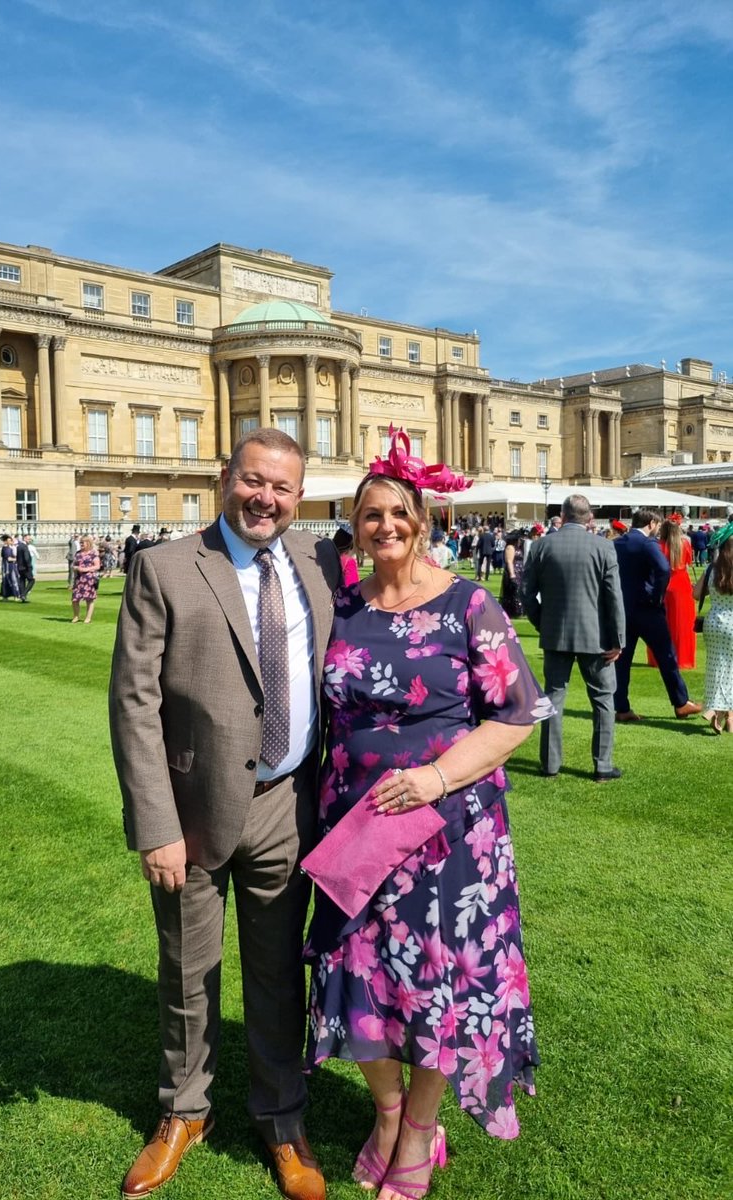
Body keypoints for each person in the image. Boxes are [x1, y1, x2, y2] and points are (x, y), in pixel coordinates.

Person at [303, 436, 550, 1200]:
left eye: (397, 514)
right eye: (370, 516)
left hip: (448, 833)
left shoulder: (467, 603)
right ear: (356, 525)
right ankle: (388, 1114)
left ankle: (417, 1136)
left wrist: (436, 777)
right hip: (354, 825)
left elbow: (518, 713)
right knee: (355, 969)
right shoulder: (343, 606)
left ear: (423, 518)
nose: (385, 527)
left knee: (439, 983)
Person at [109, 428, 340, 1200]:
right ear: (224, 478)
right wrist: (157, 826)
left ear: (297, 496)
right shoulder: (164, 567)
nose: (264, 497)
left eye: (281, 487)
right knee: (186, 970)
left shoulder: (320, 560)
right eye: (252, 480)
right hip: (193, 807)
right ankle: (185, 1112)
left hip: (287, 801)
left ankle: (282, 1120)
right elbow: (134, 705)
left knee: (277, 975)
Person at [522, 494, 626, 781]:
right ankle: (602, 765)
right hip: (597, 637)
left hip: (557, 634)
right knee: (604, 700)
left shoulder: (542, 546)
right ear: (590, 518)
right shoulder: (604, 547)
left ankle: (550, 764)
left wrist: (542, 623)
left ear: (563, 516)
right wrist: (618, 638)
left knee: (553, 698)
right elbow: (614, 597)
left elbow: (526, 594)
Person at [613, 509, 701, 722]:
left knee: (622, 661)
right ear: (651, 523)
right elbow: (663, 569)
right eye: (658, 526)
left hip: (623, 609)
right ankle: (681, 702)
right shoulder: (647, 543)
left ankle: (621, 708)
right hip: (647, 609)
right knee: (666, 655)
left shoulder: (617, 543)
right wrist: (656, 594)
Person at [696, 522, 733, 733]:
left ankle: (727, 718)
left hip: (713, 623)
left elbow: (695, 594)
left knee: (717, 669)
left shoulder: (713, 567)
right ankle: (714, 710)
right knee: (730, 670)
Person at [647, 517, 696, 672]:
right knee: (684, 624)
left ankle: (658, 658)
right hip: (682, 585)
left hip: (664, 585)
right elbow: (688, 564)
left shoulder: (658, 545)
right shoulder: (685, 544)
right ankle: (683, 657)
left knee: (662, 624)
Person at [71, 536, 100, 623]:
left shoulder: (93, 554)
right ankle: (76, 616)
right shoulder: (78, 553)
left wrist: (85, 569)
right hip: (79, 579)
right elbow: (73, 565)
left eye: (83, 542)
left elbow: (97, 566)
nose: (81, 544)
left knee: (89, 599)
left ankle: (88, 617)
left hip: (89, 579)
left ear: (88, 543)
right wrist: (76, 568)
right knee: (75, 599)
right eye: (81, 542)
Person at [499, 528, 526, 618]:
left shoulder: (518, 548)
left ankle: (520, 610)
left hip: (519, 571)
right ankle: (514, 610)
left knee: (518, 591)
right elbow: (509, 561)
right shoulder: (510, 547)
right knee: (514, 592)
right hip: (514, 571)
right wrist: (512, 575)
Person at [0, 534, 21, 600]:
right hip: (8, 567)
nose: (10, 541)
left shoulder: (9, 548)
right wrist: (17, 559)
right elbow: (9, 559)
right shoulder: (6, 549)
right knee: (11, 580)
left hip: (10, 566)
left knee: (10, 580)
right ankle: (14, 595)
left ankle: (7, 596)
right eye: (9, 540)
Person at [15, 535, 34, 602]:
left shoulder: (19, 546)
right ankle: (23, 594)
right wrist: (29, 566)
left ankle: (23, 596)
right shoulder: (24, 547)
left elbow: (17, 557)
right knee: (31, 580)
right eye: (29, 539)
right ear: (25, 539)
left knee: (22, 580)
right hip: (25, 567)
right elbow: (26, 558)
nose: (30, 540)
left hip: (20, 566)